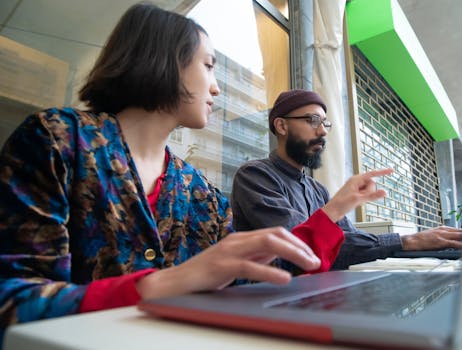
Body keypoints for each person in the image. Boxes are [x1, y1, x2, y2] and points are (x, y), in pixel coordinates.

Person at [0, 3, 393, 340]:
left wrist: (334, 210)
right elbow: (13, 300)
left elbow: (257, 274)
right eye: (208, 66)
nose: (217, 89)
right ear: (164, 61)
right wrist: (161, 285)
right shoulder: (59, 141)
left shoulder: (195, 188)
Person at [231, 89, 462, 269]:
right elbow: (297, 251)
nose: (322, 131)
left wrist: (417, 241)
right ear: (281, 125)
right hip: (269, 303)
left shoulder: (317, 190)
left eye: (325, 123)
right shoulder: (255, 176)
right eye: (312, 120)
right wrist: (407, 242)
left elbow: (344, 243)